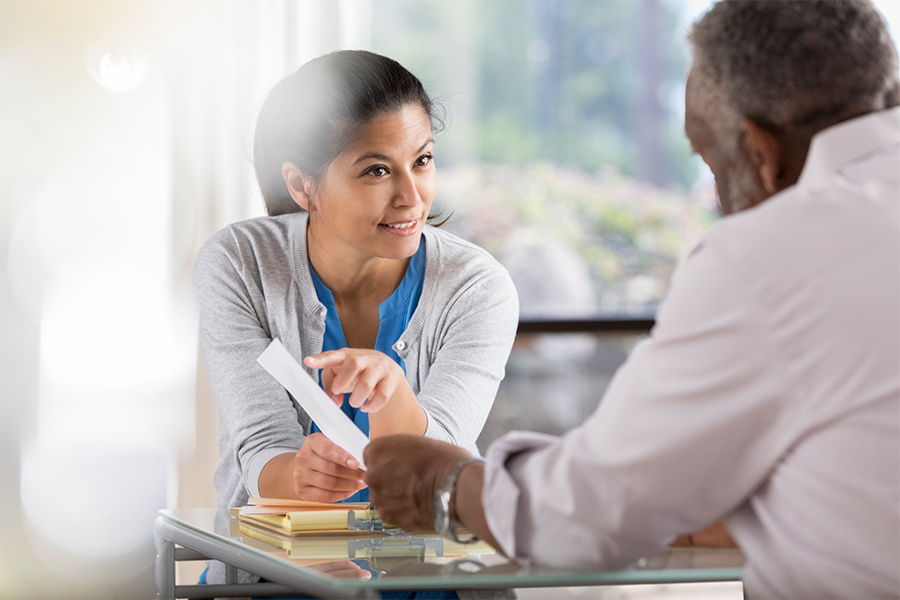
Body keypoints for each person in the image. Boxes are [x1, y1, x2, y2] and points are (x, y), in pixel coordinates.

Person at [363, 1, 900, 598]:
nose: (716, 196)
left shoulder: (772, 255)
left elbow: (592, 514)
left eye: (709, 159)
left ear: (759, 153)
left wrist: (446, 484)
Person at [193, 50, 519, 590]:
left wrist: (394, 397)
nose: (412, 197)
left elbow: (442, 472)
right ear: (302, 186)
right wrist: (299, 477)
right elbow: (259, 448)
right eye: (376, 170)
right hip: (274, 578)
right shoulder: (240, 263)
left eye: (422, 160)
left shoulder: (477, 288)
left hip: (435, 575)